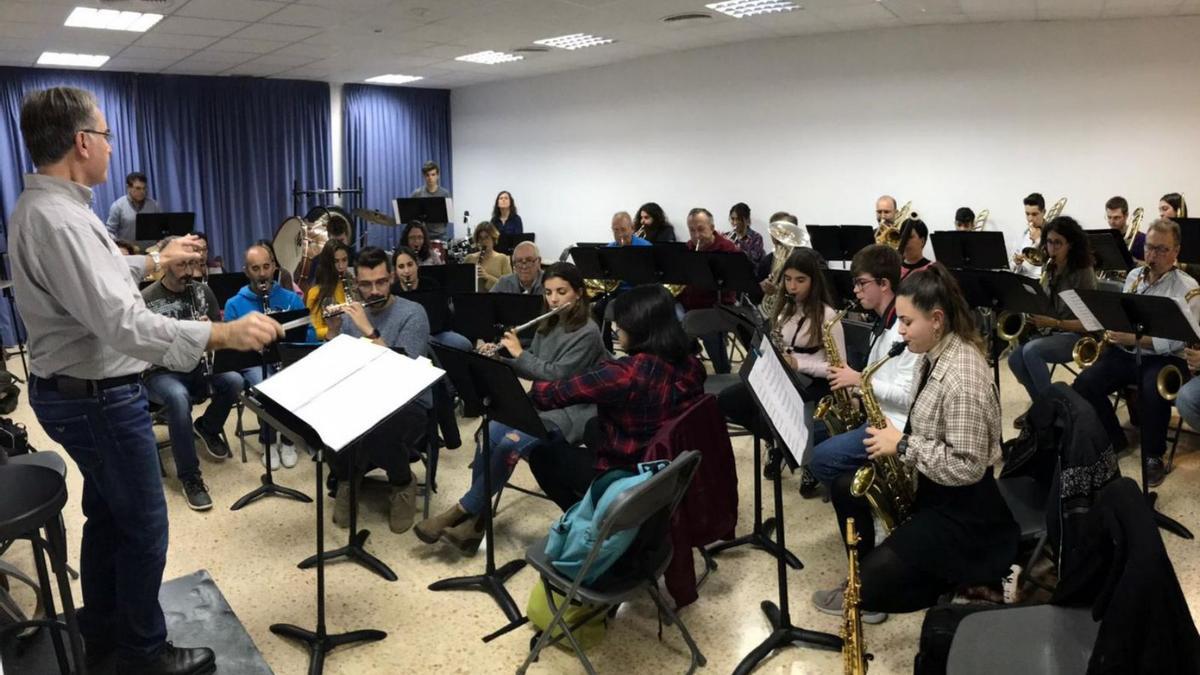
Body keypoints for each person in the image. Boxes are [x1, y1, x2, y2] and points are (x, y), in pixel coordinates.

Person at [12, 86, 280, 675]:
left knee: (109, 514)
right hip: (97, 399)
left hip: (76, 392)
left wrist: (157, 259)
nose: (110, 145)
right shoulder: (60, 220)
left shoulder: (55, 207)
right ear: (83, 142)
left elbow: (101, 273)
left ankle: (105, 627)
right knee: (145, 527)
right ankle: (143, 654)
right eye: (105, 134)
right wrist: (221, 335)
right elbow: (124, 322)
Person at [813, 264, 1019, 621]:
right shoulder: (934, 352)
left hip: (963, 511)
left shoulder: (963, 378)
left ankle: (948, 586)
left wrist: (903, 446)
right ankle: (867, 568)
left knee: (872, 588)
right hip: (930, 483)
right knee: (846, 486)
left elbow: (967, 467)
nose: (901, 330)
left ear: (936, 319)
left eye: (907, 322)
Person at [414, 263, 607, 552]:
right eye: (549, 292)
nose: (553, 300)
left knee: (508, 444)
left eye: (561, 292)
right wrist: (501, 359)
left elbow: (558, 377)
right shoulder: (549, 322)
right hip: (542, 401)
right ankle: (476, 520)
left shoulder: (588, 332)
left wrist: (518, 353)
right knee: (491, 431)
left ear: (578, 294)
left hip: (572, 411)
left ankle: (461, 511)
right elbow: (533, 368)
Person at [527, 284, 706, 510]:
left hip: (632, 474)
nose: (616, 329)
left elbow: (552, 395)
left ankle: (593, 520)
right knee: (593, 426)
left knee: (541, 456)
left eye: (620, 326)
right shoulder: (692, 362)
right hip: (669, 461)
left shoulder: (626, 374)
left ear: (638, 329)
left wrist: (526, 370)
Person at [1072, 219, 1199, 487]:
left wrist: (1137, 339)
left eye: (1162, 250)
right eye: (1150, 248)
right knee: (1084, 383)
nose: (1153, 256)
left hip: (1167, 357)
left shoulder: (1188, 289)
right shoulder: (1133, 277)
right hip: (1127, 350)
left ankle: (1154, 455)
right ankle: (1113, 438)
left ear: (1176, 251)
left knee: (1152, 389)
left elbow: (1184, 338)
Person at [325, 246, 433, 533]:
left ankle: (401, 482)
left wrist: (369, 331)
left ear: (392, 278)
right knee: (324, 417)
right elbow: (336, 368)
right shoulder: (350, 316)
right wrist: (334, 331)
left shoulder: (414, 313)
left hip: (410, 402)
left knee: (381, 429)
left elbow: (406, 375)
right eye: (366, 284)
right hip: (363, 396)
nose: (374, 291)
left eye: (381, 282)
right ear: (356, 284)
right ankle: (348, 477)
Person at [718, 248, 845, 487]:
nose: (792, 287)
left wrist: (800, 363)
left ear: (814, 281)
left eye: (800, 280)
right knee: (729, 400)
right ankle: (781, 445)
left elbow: (838, 369)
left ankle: (797, 454)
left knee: (777, 415)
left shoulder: (828, 316)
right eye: (787, 279)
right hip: (786, 377)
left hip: (815, 384)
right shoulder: (785, 309)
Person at [807, 245, 919, 495]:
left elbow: (909, 398)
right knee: (808, 434)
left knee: (819, 459)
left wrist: (859, 380)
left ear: (884, 284)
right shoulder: (880, 322)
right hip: (874, 411)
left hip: (892, 424)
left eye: (861, 283)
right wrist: (858, 395)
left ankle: (865, 497)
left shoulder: (903, 332)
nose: (855, 291)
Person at [141, 239, 244, 511]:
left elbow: (217, 336)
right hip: (161, 372)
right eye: (182, 264)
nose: (189, 271)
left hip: (197, 367)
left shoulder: (202, 292)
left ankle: (207, 428)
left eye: (192, 264)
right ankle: (190, 478)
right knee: (177, 397)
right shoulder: (147, 298)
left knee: (235, 380)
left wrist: (210, 331)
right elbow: (140, 347)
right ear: (165, 264)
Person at [225, 243, 307, 469]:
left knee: (293, 381)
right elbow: (230, 346)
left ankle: (289, 439)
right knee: (266, 386)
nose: (262, 274)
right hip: (253, 362)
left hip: (286, 358)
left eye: (266, 267)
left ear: (274, 267)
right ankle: (269, 442)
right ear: (246, 271)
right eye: (255, 268)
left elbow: (307, 333)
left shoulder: (291, 299)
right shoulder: (234, 303)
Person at [1007, 216, 1098, 404]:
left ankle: (1052, 409)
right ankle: (1043, 407)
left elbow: (1091, 322)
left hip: (1079, 335)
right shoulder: (1050, 267)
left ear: (1070, 245)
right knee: (1015, 359)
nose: (1052, 248)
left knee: (1032, 351)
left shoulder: (1082, 272)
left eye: (1058, 243)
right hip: (1053, 331)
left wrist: (1055, 322)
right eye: (1049, 242)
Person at [678, 207, 740, 374]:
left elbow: (734, 284)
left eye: (701, 229)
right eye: (692, 230)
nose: (696, 235)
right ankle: (686, 364)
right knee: (668, 318)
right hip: (690, 305)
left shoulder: (727, 249)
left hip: (718, 306)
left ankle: (722, 371)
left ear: (712, 228)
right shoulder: (688, 248)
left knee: (707, 329)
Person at [595, 211, 652, 350]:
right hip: (618, 292)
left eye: (623, 230)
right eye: (616, 230)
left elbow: (652, 277)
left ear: (632, 228)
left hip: (639, 292)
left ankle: (636, 348)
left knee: (633, 312)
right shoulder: (609, 249)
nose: (620, 234)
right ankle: (606, 349)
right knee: (598, 308)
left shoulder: (646, 247)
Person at [304, 240, 353, 341]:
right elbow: (314, 331)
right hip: (332, 343)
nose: (341, 266)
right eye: (336, 261)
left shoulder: (353, 285)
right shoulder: (316, 292)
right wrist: (335, 329)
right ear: (328, 263)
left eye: (344, 260)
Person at [105, 170, 160, 242]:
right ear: (128, 188)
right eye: (138, 188)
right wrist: (118, 246)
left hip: (151, 251)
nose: (142, 192)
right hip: (129, 252)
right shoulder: (118, 206)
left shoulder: (153, 205)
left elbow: (160, 229)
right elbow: (109, 232)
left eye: (144, 188)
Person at [465, 221, 511, 292]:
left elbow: (509, 287)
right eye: (480, 238)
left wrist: (487, 277)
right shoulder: (470, 258)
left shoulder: (502, 259)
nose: (483, 241)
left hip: (495, 301)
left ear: (493, 238)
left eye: (487, 237)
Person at [411, 160, 451, 240]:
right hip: (422, 235)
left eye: (433, 175)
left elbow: (448, 217)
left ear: (438, 176)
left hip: (441, 235)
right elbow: (412, 217)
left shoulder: (445, 194)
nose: (430, 178)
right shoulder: (417, 194)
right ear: (424, 176)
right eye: (427, 175)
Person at [1012, 193, 1046, 279]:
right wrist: (1017, 263)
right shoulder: (1025, 233)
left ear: (1043, 212)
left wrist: (1038, 240)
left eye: (1034, 214)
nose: (1030, 219)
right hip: (1023, 279)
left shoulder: (1051, 233)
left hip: (1041, 282)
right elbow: (1019, 269)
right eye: (1027, 214)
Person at [1106, 196, 1144, 263]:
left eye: (1116, 217)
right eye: (1109, 217)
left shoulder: (1142, 239)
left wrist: (1134, 262)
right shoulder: (1106, 239)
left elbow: (1151, 267)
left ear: (1126, 215)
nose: (1112, 222)